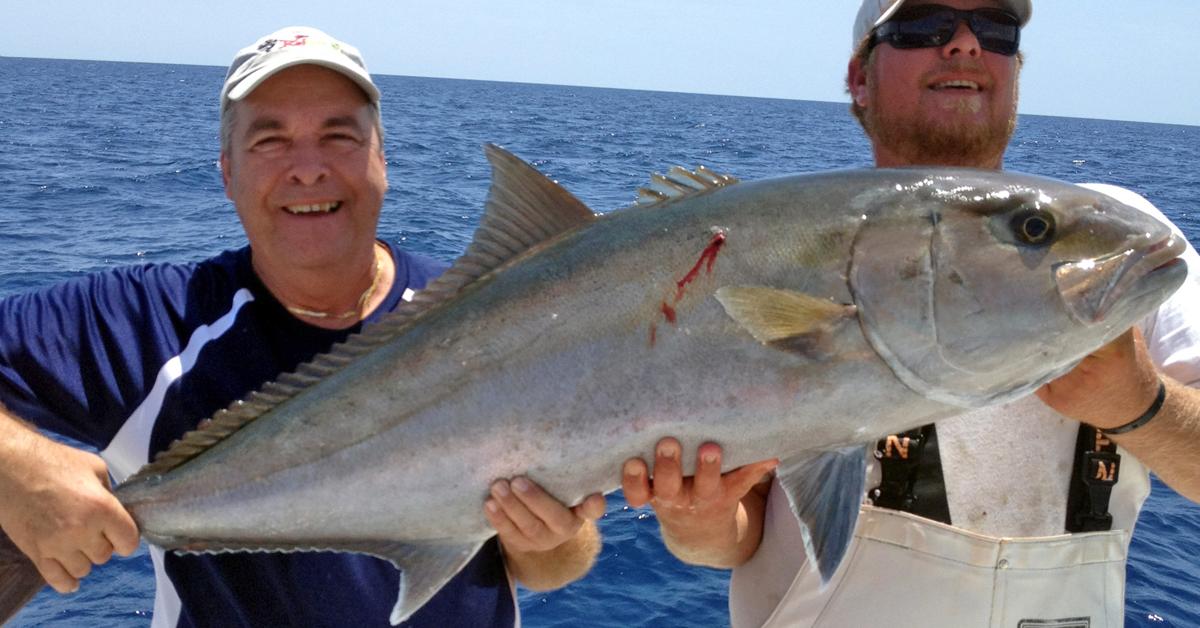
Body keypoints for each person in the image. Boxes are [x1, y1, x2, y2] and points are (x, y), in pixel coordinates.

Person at [0, 26, 604, 627]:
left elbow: (558, 567)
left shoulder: (493, 319)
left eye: (339, 136)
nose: (308, 169)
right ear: (227, 173)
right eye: (270, 140)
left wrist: (546, 540)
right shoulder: (147, 323)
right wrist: (18, 467)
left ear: (382, 162)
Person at [621, 1, 1200, 626]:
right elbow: (728, 541)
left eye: (996, 31)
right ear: (859, 79)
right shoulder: (766, 249)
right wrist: (694, 516)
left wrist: (1141, 405)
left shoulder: (1114, 238)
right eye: (924, 24)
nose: (964, 45)